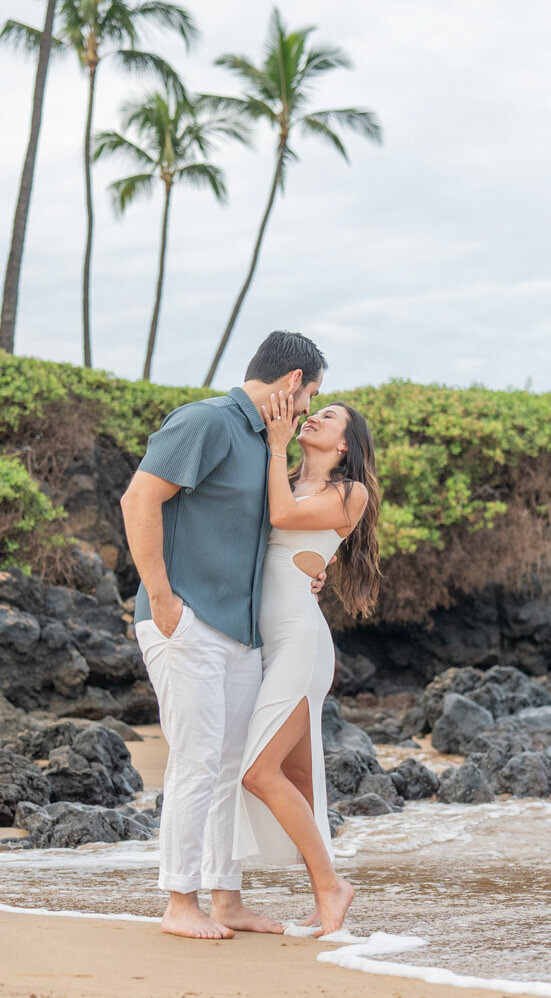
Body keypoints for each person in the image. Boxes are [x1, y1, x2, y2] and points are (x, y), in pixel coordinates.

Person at [119, 331, 328, 940]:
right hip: (187, 621)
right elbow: (139, 499)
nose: (310, 408)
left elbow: (268, 535)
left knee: (232, 766)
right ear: (292, 382)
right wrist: (161, 597)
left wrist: (310, 578)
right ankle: (178, 902)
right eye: (311, 395)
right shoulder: (206, 421)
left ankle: (225, 899)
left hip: (241, 631)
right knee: (197, 758)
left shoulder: (267, 443)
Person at [233, 393, 381, 937]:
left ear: (343, 445)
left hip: (300, 640)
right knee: (297, 777)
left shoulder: (350, 491)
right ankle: (326, 896)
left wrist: (274, 447)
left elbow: (283, 517)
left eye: (328, 417)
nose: (313, 416)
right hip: (263, 643)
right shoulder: (284, 476)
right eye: (316, 409)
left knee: (258, 772)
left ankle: (333, 887)